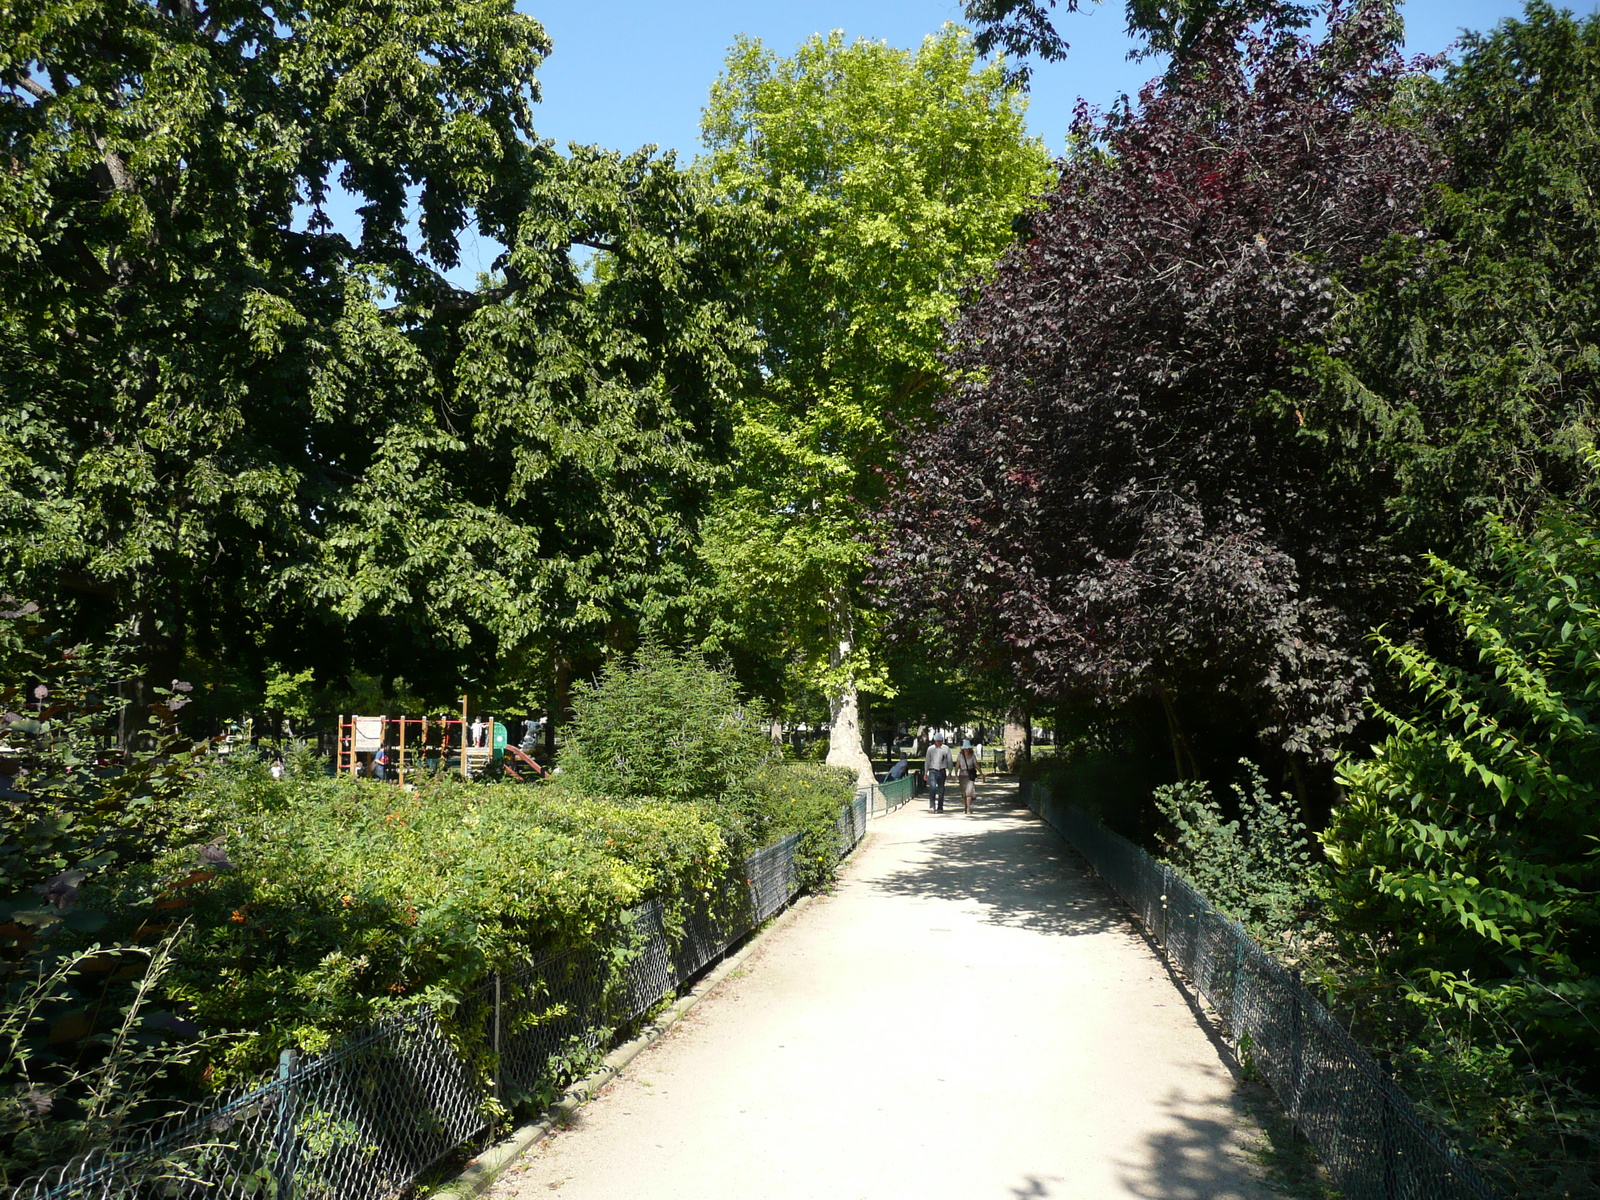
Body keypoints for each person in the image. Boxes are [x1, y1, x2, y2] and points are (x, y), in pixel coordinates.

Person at [925, 734, 953, 812]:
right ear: (935, 741)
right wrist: (925, 772)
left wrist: (950, 771)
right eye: (937, 741)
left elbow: (949, 760)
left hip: (942, 771)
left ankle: (940, 807)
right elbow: (927, 761)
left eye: (940, 741)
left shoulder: (946, 749)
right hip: (932, 771)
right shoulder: (930, 749)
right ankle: (932, 806)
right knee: (932, 788)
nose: (939, 742)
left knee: (941, 789)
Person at [955, 739, 981, 814]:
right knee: (964, 793)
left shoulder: (972, 756)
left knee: (969, 792)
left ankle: (968, 809)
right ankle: (965, 806)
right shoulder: (960, 756)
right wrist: (956, 775)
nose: (966, 750)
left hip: (970, 776)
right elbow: (957, 765)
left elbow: (976, 765)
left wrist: (981, 774)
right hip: (962, 776)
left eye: (967, 748)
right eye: (965, 748)